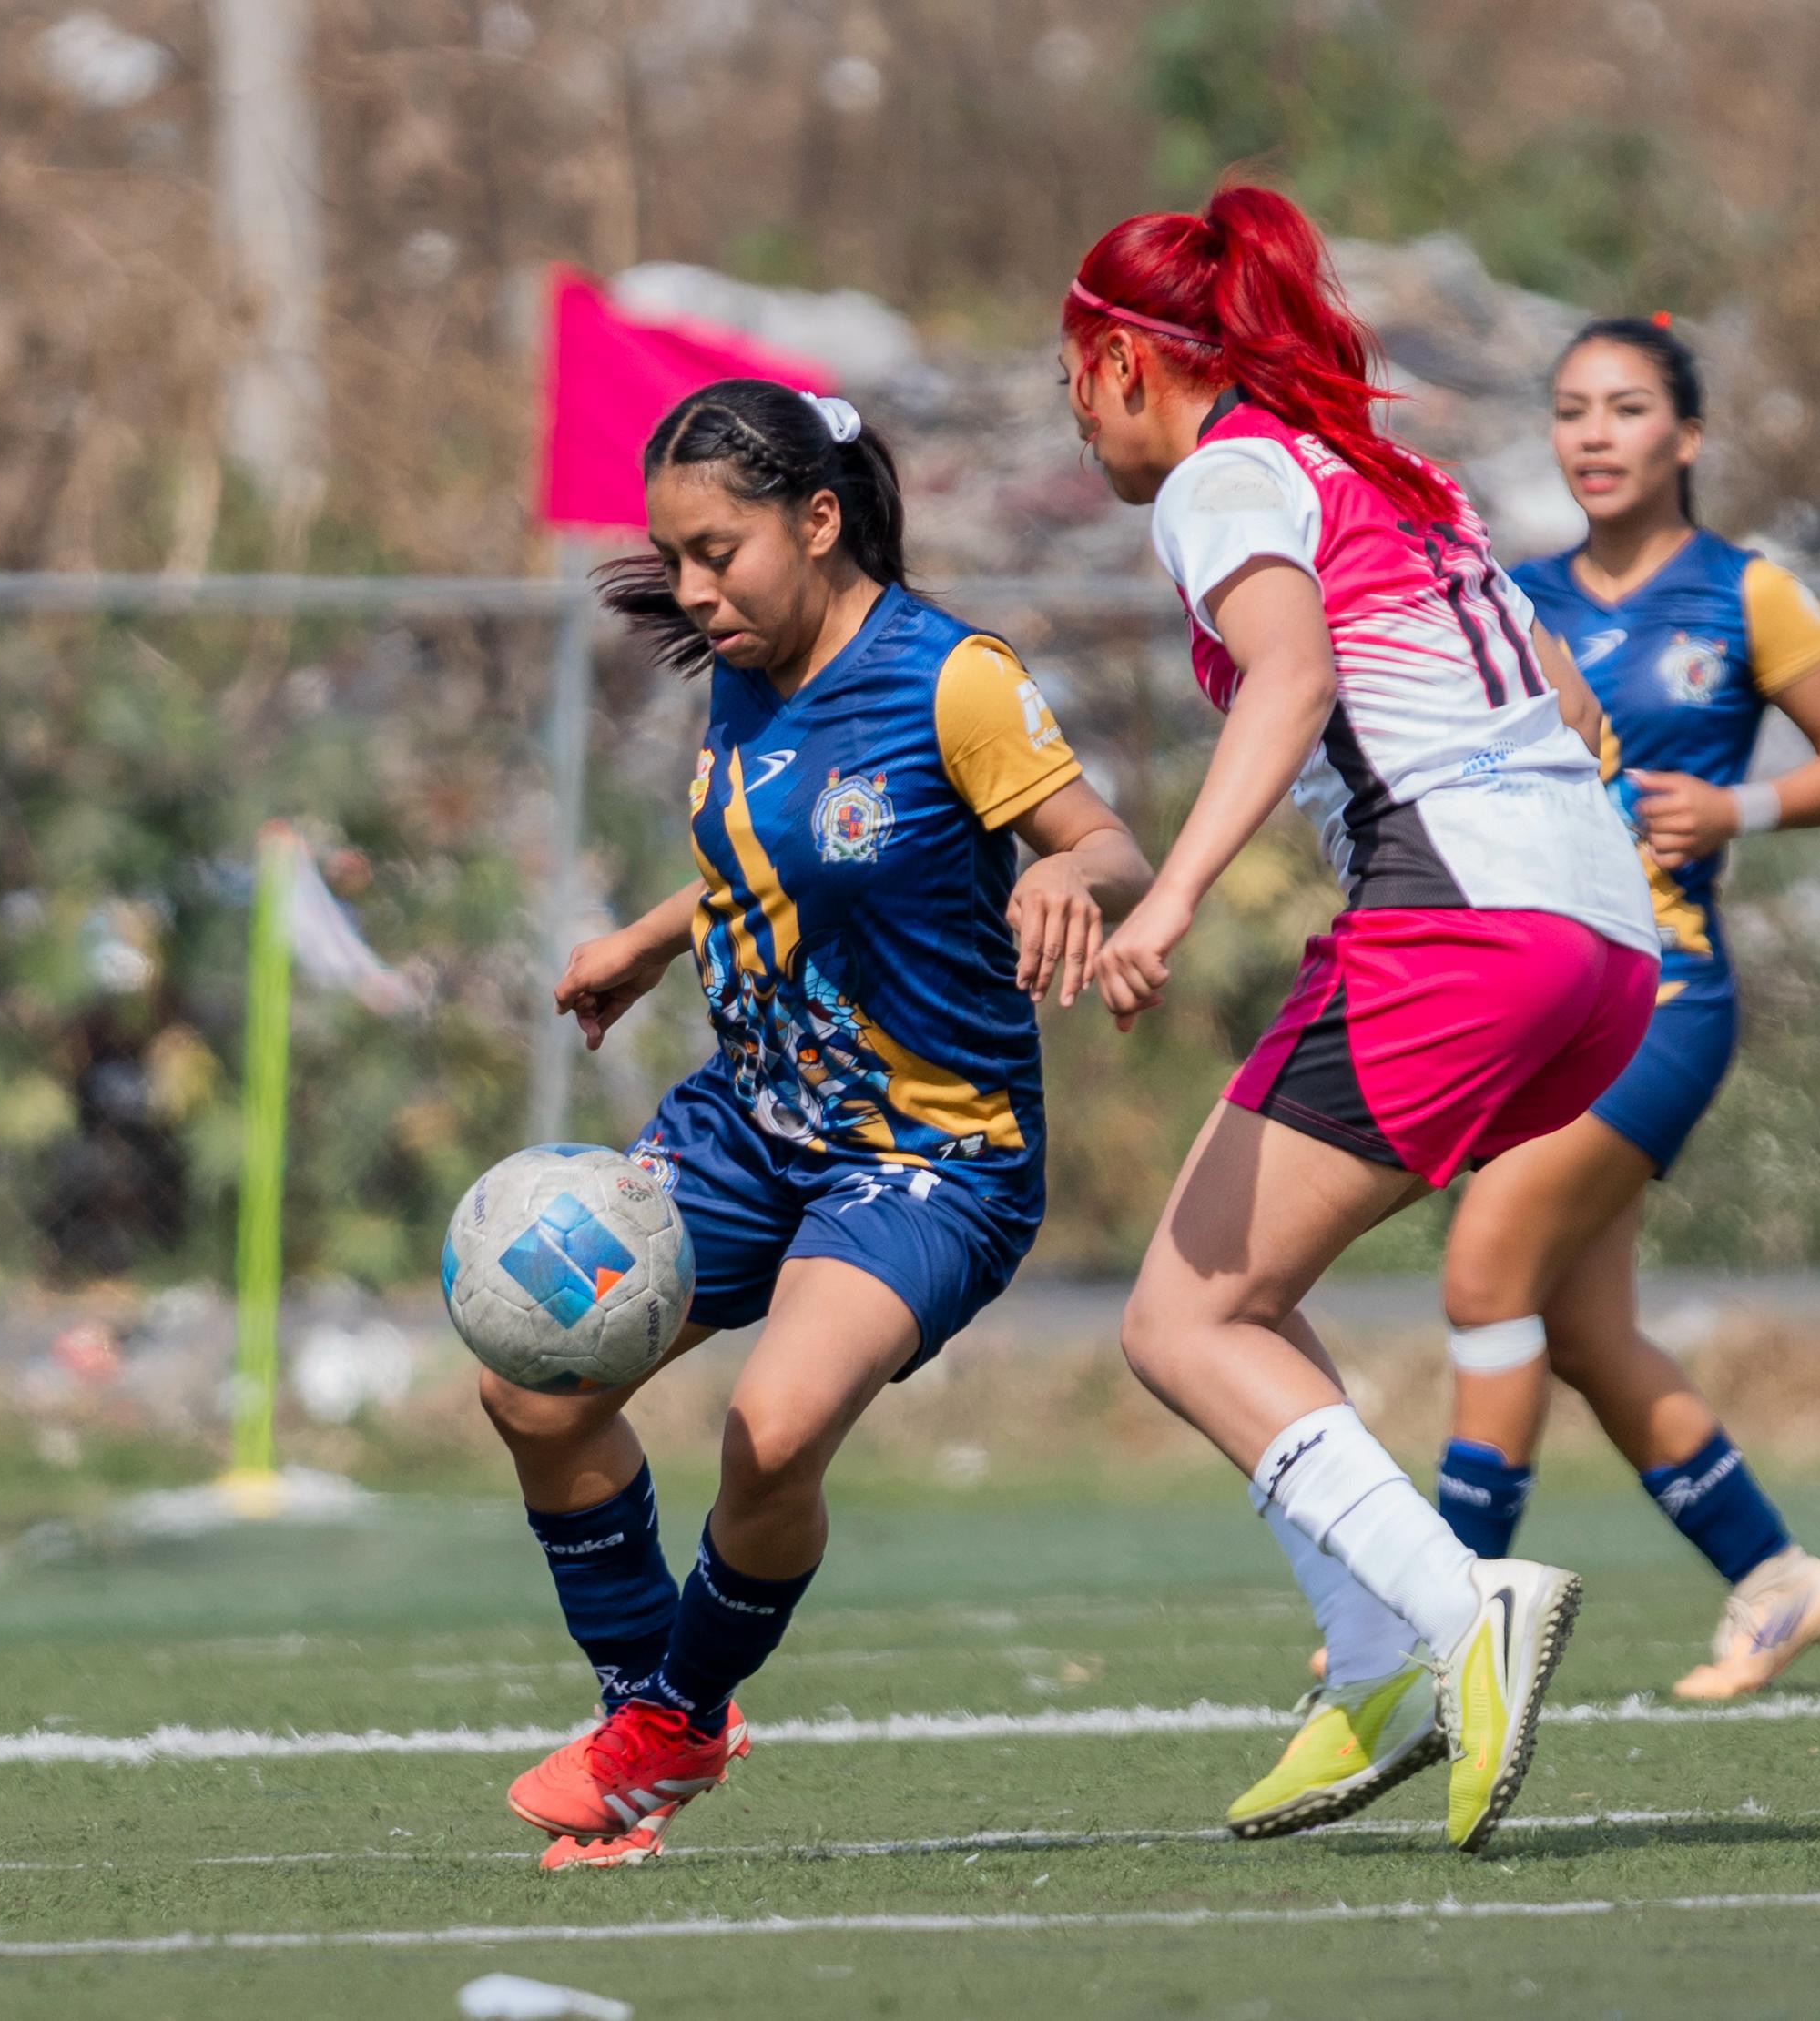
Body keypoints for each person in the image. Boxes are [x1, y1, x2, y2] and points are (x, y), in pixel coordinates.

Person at [1063, 187, 1662, 1853]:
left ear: (1122, 362)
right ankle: (1382, 1650)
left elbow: (1293, 676)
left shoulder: (1223, 474)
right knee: (1233, 1291)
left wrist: (1169, 899)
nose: (1076, 417)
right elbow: (1560, 690)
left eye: (1072, 380)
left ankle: (1457, 1607)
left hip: (1458, 922)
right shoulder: (1391, 473)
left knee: (1176, 1325)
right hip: (1596, 940)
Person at [483, 379, 1151, 1870]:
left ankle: (658, 1731)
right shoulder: (744, 669)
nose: (693, 588)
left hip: (928, 1157)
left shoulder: (951, 678)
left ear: (821, 517)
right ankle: (654, 1728)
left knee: (772, 1434)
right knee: (535, 1392)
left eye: (720, 551)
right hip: (750, 1125)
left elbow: (1107, 841)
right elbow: (786, 850)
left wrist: (1067, 882)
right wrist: (661, 936)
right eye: (674, 557)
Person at [1441, 316, 1820, 1697]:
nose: (1592, 434)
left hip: (1667, 995)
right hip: (1545, 1001)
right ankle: (1775, 1574)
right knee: (1578, 1328)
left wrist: (1741, 803)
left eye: (1626, 408)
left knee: (1484, 1270)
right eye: (1571, 409)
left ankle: (1451, 1629)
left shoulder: (1744, 594)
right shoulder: (1515, 600)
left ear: (1686, 437)